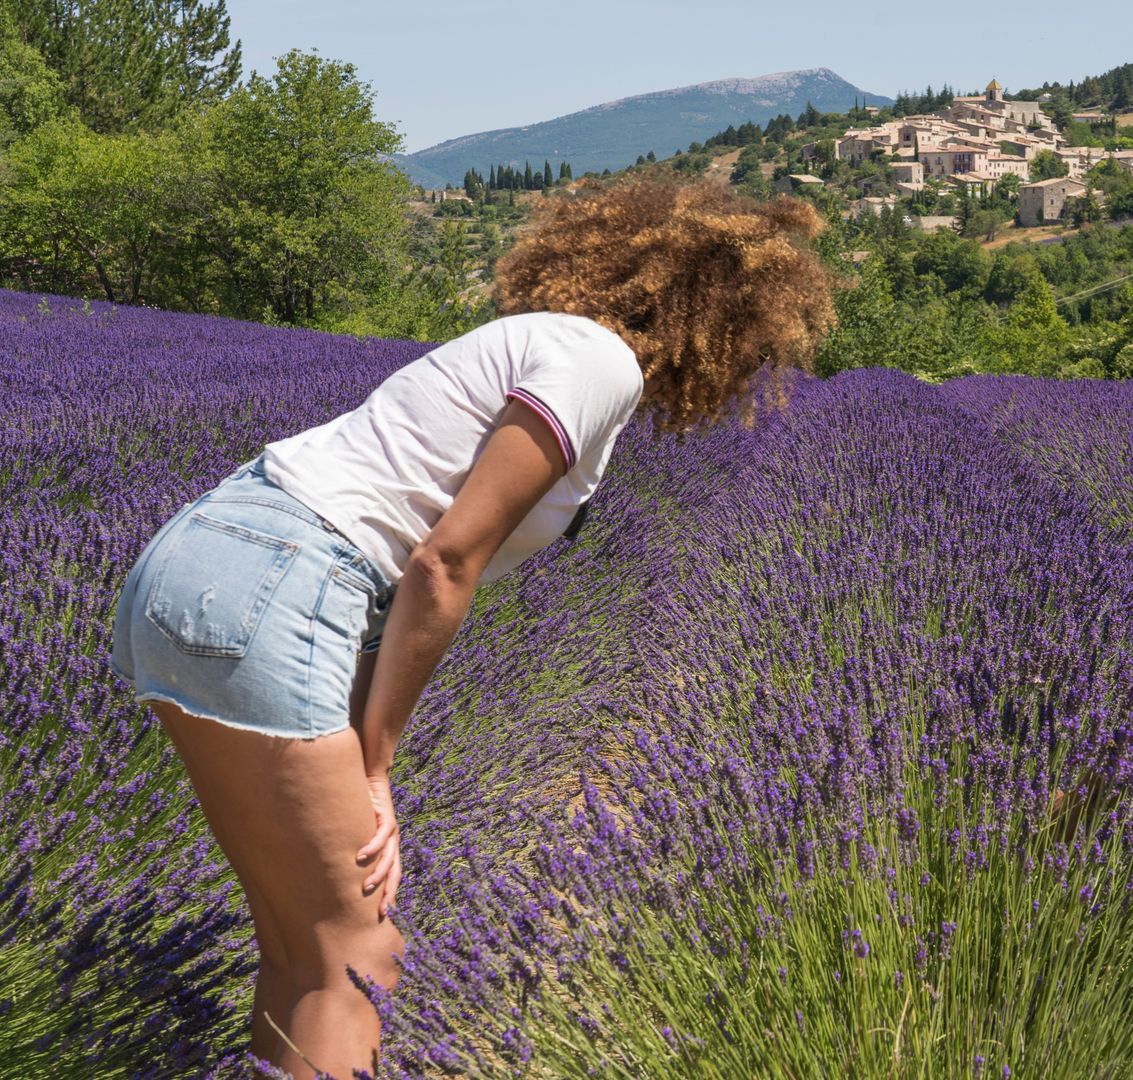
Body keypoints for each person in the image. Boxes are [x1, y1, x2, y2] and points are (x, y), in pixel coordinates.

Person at [107, 177, 836, 1078]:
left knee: (303, 949)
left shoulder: (540, 344)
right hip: (283, 580)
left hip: (196, 563)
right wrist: (375, 766)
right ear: (720, 322)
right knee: (360, 961)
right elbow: (443, 562)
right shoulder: (596, 361)